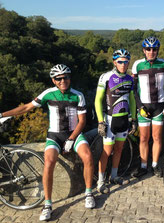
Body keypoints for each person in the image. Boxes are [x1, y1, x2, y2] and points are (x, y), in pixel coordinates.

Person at [0, 64, 95, 221]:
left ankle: (89, 193)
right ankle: (48, 204)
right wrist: (3, 114)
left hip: (74, 134)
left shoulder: (78, 95)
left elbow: (82, 121)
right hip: (55, 136)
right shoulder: (48, 94)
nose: (63, 80)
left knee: (88, 156)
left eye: (66, 77)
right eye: (59, 78)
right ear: (53, 80)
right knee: (49, 162)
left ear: (70, 78)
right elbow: (26, 108)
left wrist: (71, 139)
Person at [95, 49, 136, 193]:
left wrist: (133, 119)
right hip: (110, 120)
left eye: (126, 62)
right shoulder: (106, 77)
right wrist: (101, 121)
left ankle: (114, 176)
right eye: (120, 62)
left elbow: (131, 99)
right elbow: (98, 100)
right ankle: (100, 181)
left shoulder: (130, 78)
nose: (123, 64)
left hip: (124, 120)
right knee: (107, 151)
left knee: (119, 149)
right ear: (114, 62)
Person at [131, 37, 164, 178]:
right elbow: (134, 89)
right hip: (144, 107)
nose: (151, 52)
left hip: (159, 106)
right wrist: (140, 106)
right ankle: (143, 166)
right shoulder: (137, 65)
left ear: (157, 50)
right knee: (143, 138)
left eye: (154, 49)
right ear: (144, 50)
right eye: (148, 49)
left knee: (157, 137)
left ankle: (154, 165)